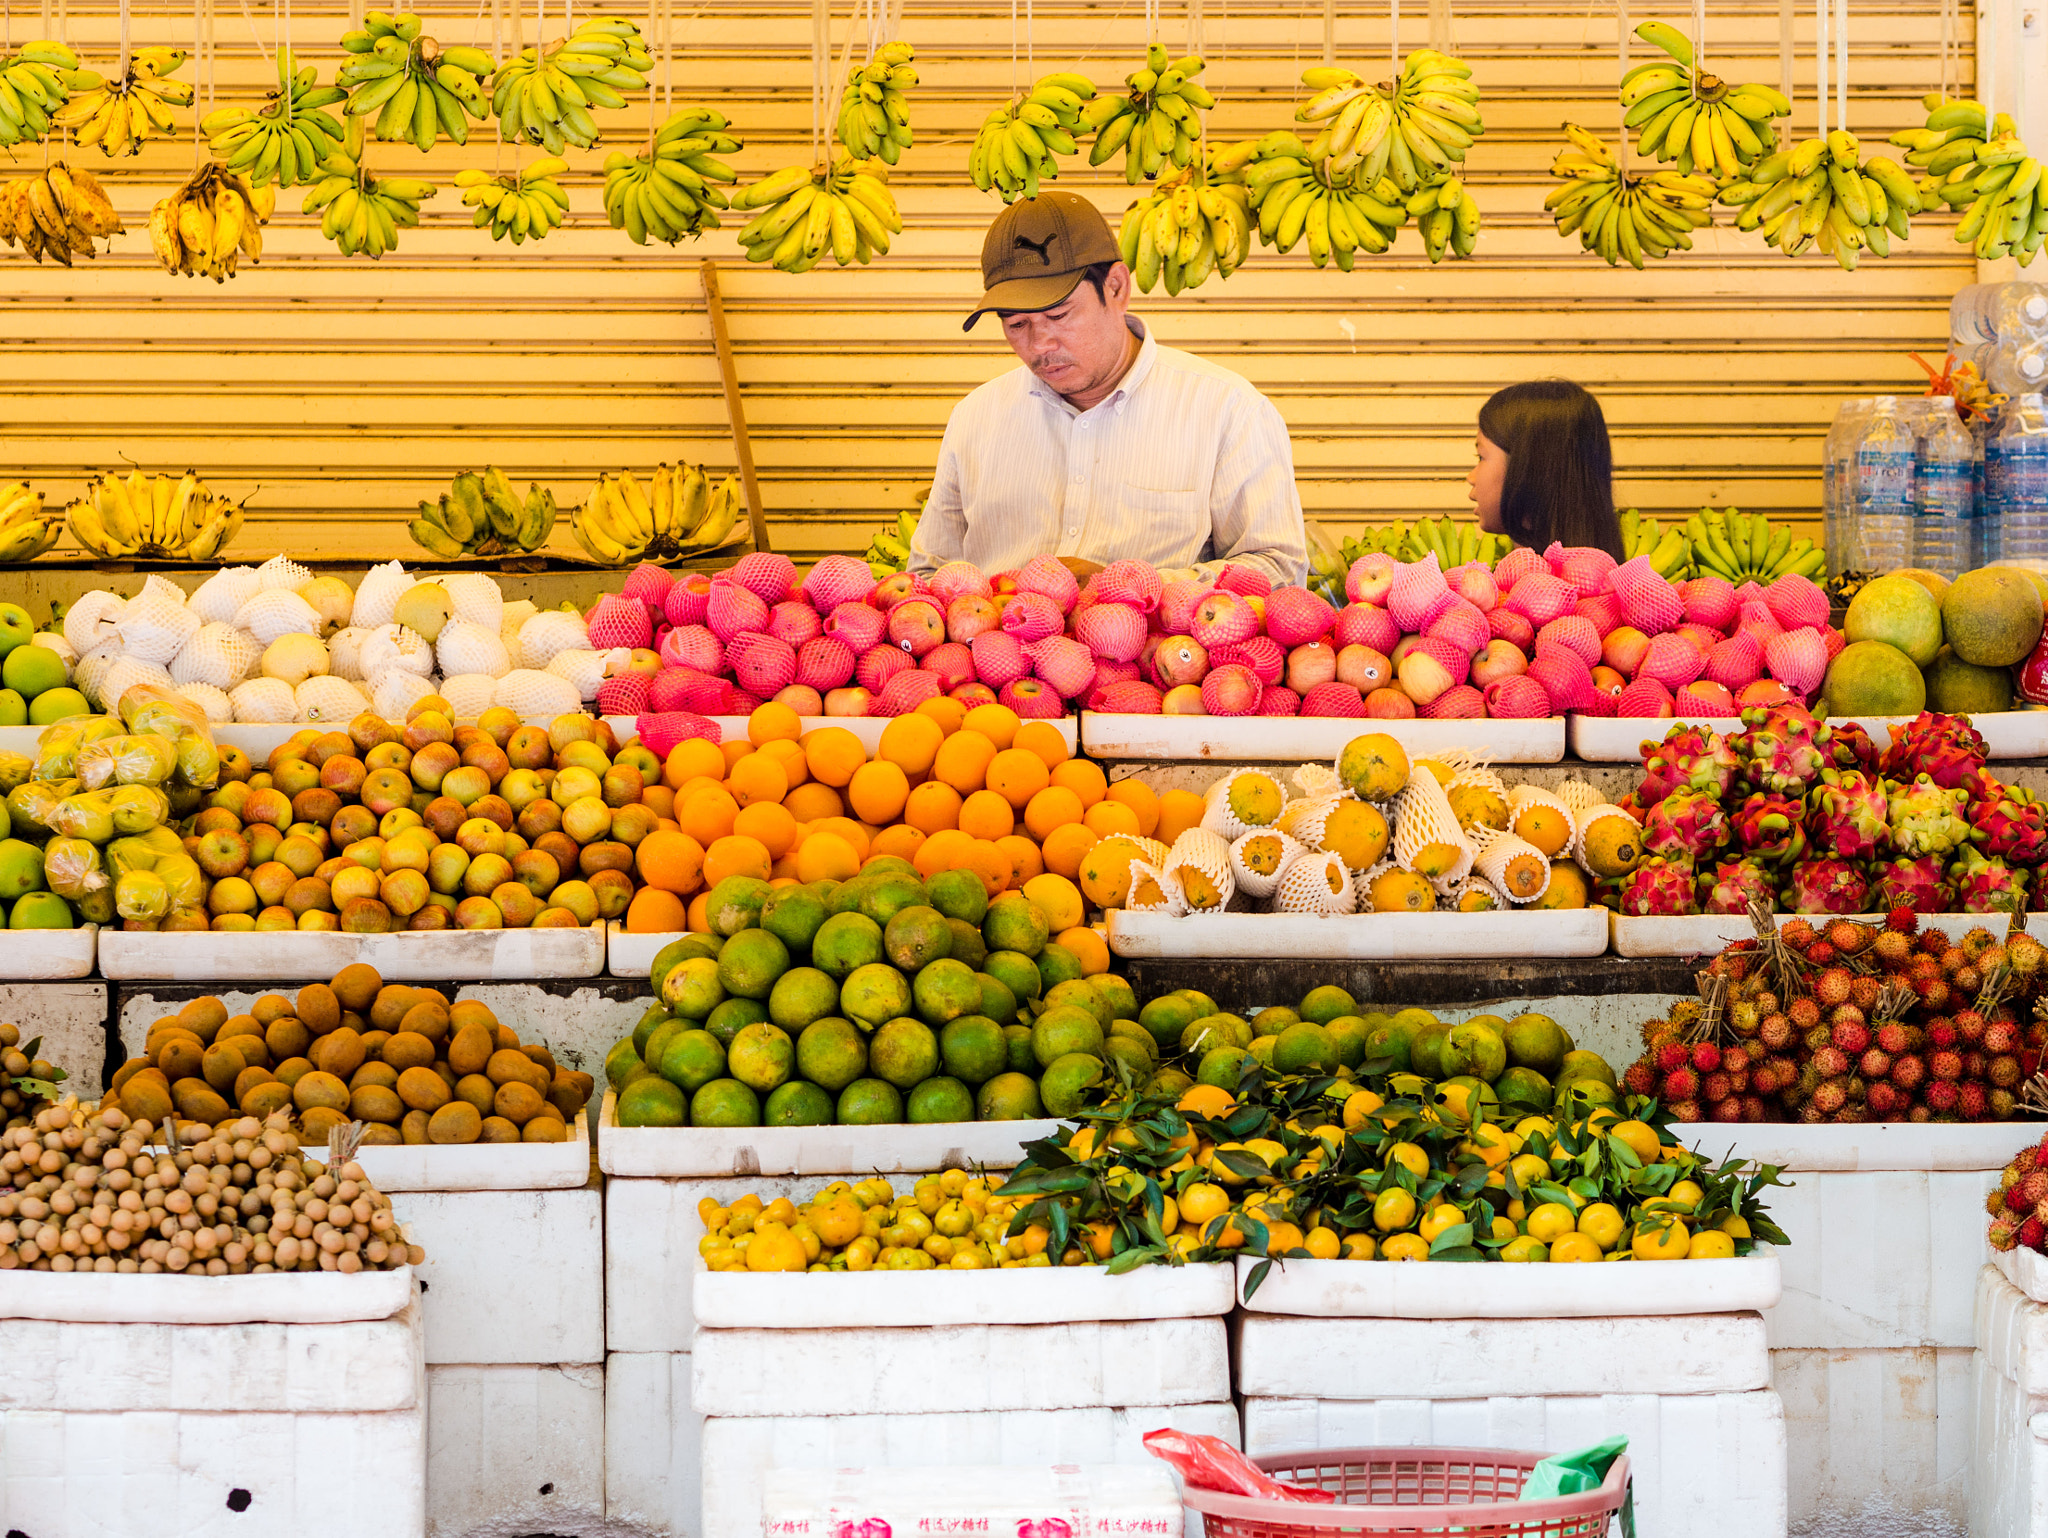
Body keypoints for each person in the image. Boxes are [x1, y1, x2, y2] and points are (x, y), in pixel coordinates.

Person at [910, 190, 1308, 586]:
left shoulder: (1227, 411)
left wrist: (1130, 587)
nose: (1040, 345)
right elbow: (928, 573)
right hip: (1000, 646)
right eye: (1016, 325)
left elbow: (1279, 568)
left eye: (1059, 314)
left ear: (1116, 287)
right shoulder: (975, 418)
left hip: (1157, 649)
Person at [1466, 379, 1626, 560]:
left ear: (1529, 473)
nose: (1471, 477)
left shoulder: (1533, 587)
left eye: (1481, 457)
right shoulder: (1612, 582)